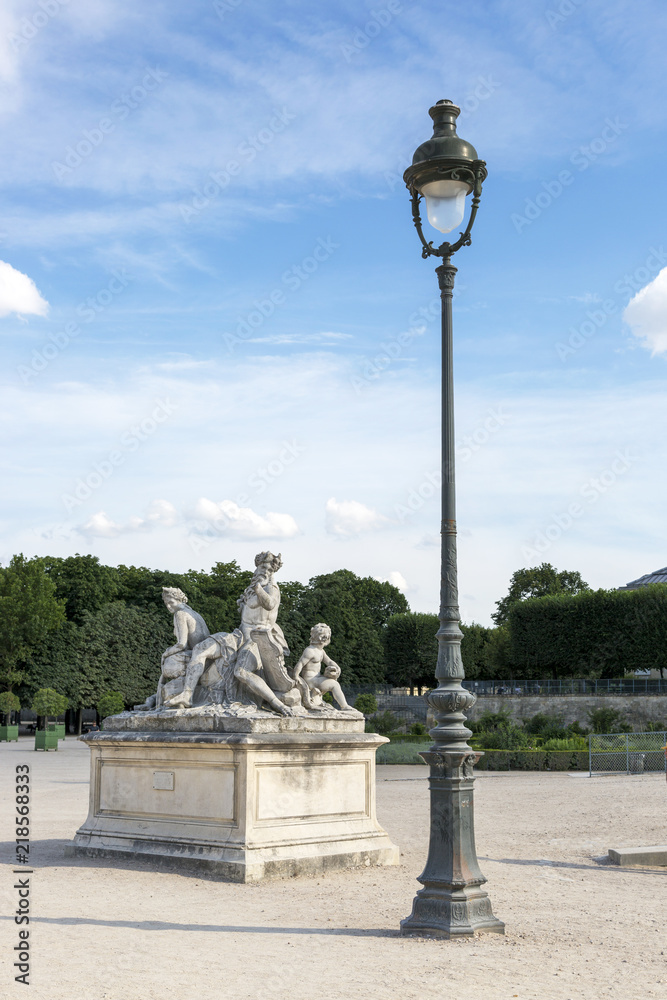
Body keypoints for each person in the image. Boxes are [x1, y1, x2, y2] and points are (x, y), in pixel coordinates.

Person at [291, 623, 358, 713]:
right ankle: (344, 706)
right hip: (310, 680)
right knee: (335, 684)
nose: (326, 638)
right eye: (324, 636)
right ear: (316, 637)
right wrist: (295, 677)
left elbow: (329, 661)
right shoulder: (310, 651)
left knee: (334, 682)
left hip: (317, 678)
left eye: (327, 636)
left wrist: (337, 668)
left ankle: (344, 706)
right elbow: (300, 664)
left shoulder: (321, 651)